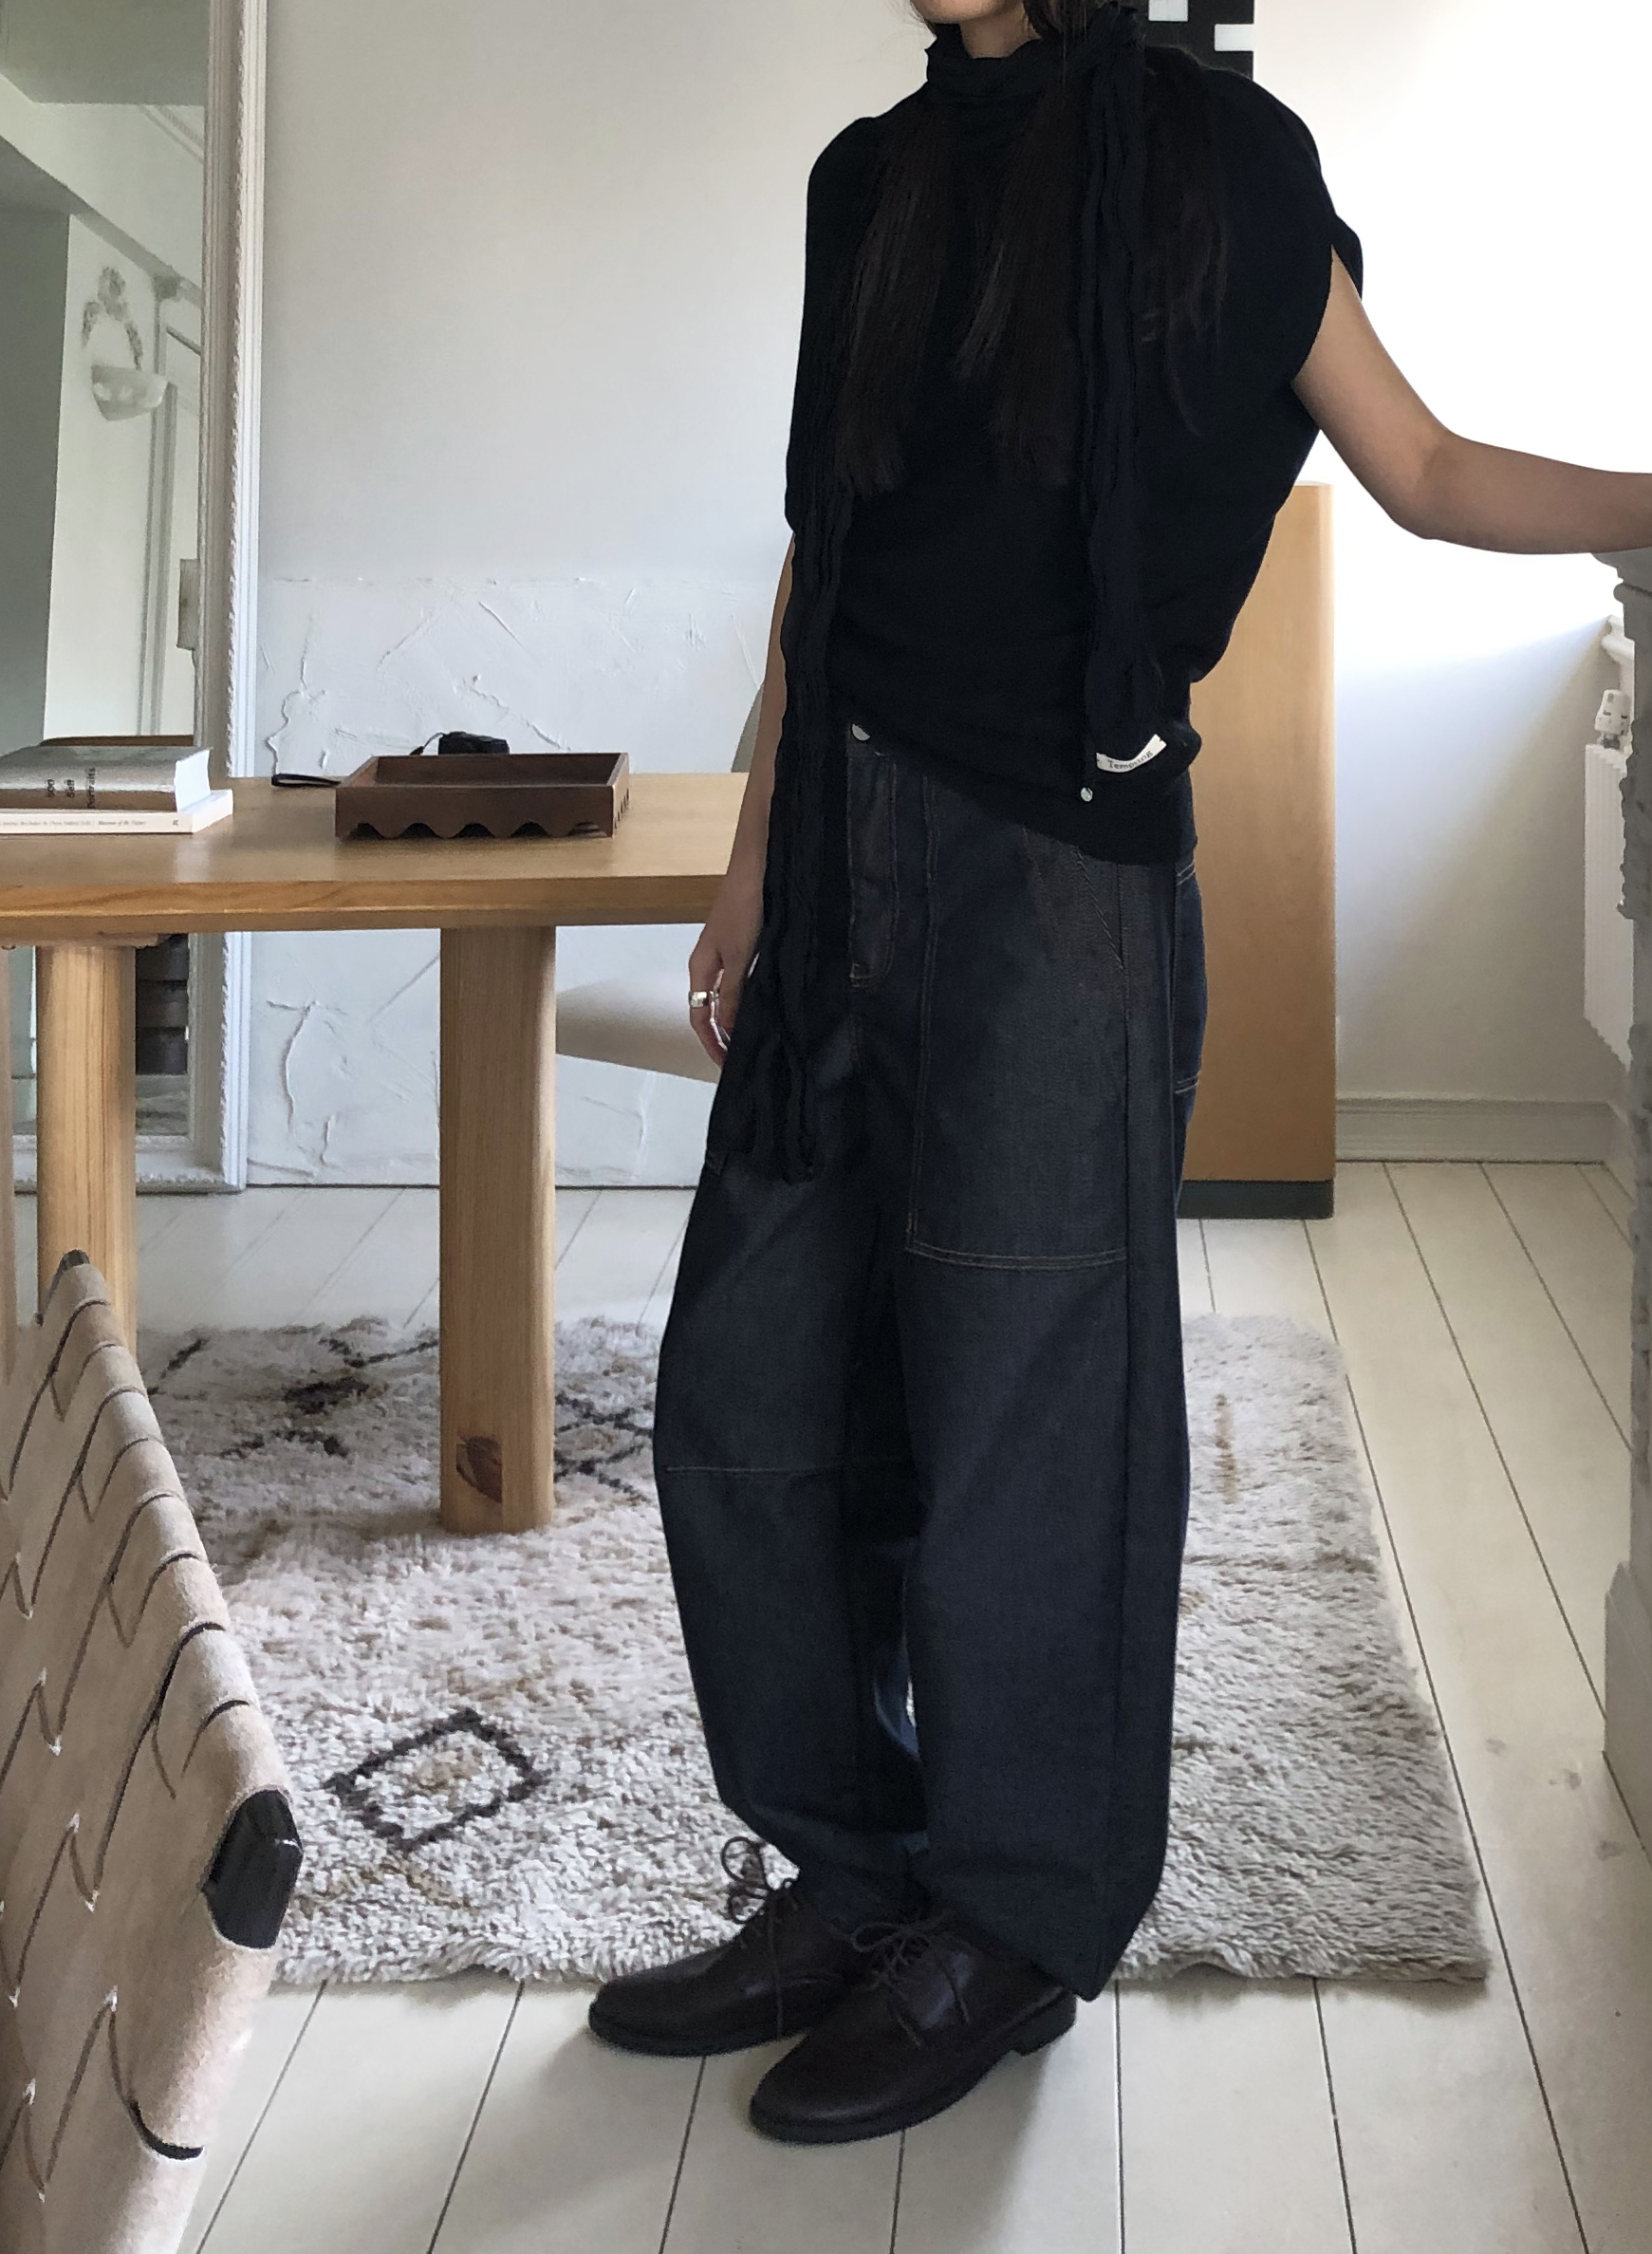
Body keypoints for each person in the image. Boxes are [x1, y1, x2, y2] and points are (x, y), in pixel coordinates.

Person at [589, 0, 1652, 2146]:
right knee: (745, 1400)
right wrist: (751, 859)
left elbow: (1424, 469)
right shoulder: (869, 184)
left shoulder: (1217, 166)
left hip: (1056, 884)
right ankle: (854, 1873)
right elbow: (826, 551)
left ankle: (1008, 1923)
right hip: (843, 849)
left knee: (1024, 1433)